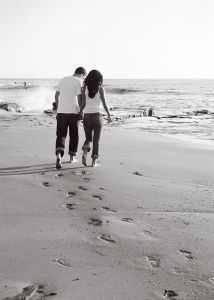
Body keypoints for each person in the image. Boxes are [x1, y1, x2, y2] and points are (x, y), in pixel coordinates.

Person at [55, 67, 86, 169]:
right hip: (73, 112)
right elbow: (80, 99)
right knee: (74, 135)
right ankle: (71, 158)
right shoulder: (79, 81)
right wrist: (81, 112)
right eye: (84, 76)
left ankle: (59, 155)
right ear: (82, 74)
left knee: (61, 135)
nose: (83, 78)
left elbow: (56, 95)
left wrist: (59, 107)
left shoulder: (63, 79)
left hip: (61, 112)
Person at [79, 70, 111, 167]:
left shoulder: (84, 88)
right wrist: (109, 114)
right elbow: (105, 104)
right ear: (99, 79)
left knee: (88, 138)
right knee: (96, 140)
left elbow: (83, 103)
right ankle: (93, 162)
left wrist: (80, 112)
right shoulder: (100, 89)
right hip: (97, 116)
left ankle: (85, 153)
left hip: (87, 116)